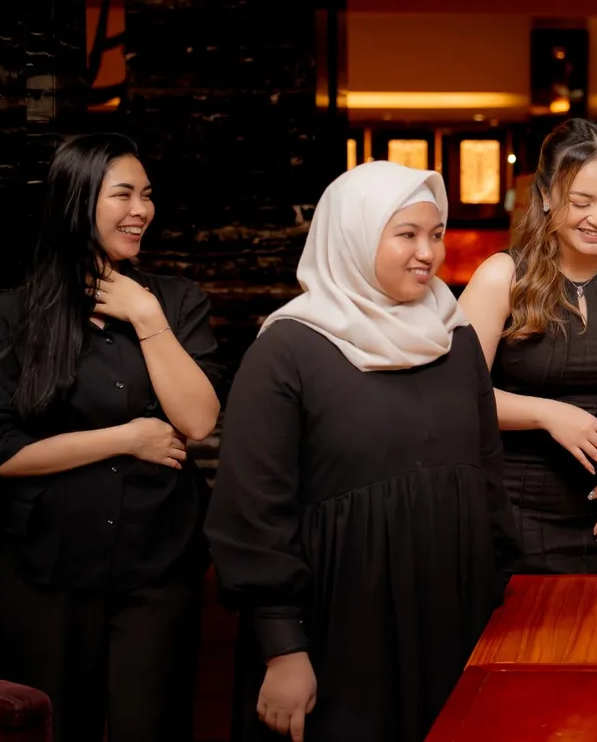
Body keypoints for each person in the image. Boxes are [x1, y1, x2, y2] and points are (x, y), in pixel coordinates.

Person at [205, 162, 516, 742]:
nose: (427, 252)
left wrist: (497, 602)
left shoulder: (455, 336)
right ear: (352, 236)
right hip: (339, 630)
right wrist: (282, 647)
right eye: (406, 234)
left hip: (452, 618)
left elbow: (488, 474)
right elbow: (251, 511)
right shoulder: (288, 349)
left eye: (436, 234)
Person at [0, 133, 224, 742]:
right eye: (123, 194)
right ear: (77, 201)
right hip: (44, 568)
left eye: (147, 195)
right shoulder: (13, 315)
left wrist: (147, 316)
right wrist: (127, 437)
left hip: (157, 563)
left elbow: (197, 420)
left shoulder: (177, 302)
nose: (141, 210)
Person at [460, 118, 597, 573]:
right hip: (519, 509)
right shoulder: (501, 277)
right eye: (581, 202)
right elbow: (458, 396)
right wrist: (548, 414)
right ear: (544, 196)